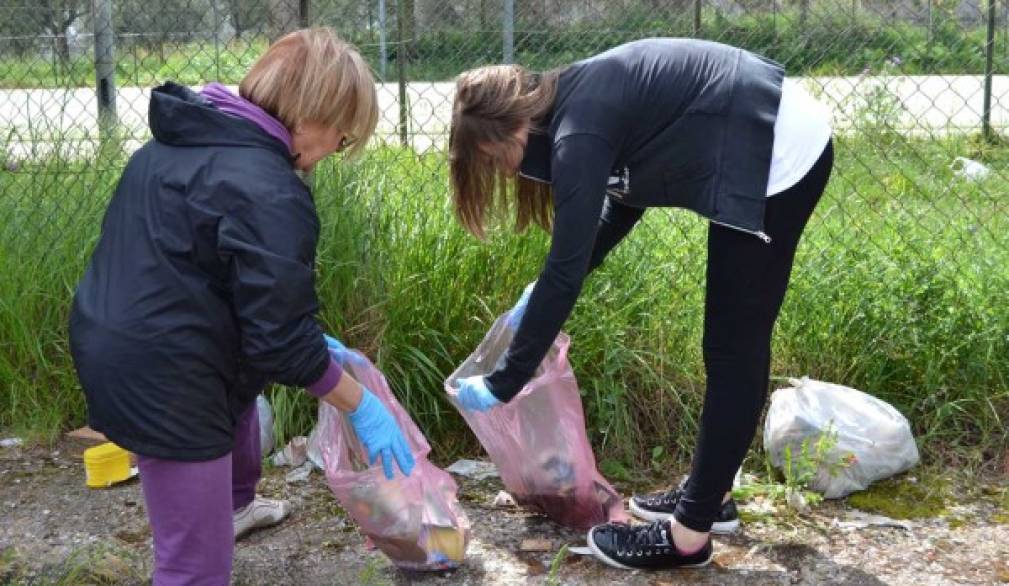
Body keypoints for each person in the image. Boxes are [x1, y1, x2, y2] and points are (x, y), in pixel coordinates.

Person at [448, 38, 833, 570]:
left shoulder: (577, 130)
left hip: (776, 148)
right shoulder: (573, 110)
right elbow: (623, 203)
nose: (507, 174)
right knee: (727, 343)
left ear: (515, 129)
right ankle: (710, 494)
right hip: (749, 129)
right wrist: (537, 297)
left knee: (732, 346)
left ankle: (689, 536)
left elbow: (564, 265)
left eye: (496, 161)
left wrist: (504, 381)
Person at [69, 28, 414, 585]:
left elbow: (197, 275)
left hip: (119, 346)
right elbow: (282, 346)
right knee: (194, 569)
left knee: (230, 442)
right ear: (311, 117)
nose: (332, 154)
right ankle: (206, 529)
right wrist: (361, 405)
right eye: (342, 138)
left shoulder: (174, 148)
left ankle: (224, 509)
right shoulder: (269, 187)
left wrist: (296, 335)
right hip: (170, 379)